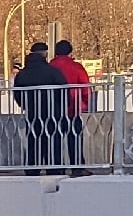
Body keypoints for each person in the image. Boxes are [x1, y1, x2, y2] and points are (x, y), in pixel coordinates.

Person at [12, 40, 67, 173]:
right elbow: (63, 91)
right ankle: (54, 169)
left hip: (32, 113)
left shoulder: (22, 74)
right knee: (52, 142)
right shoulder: (52, 72)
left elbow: (17, 93)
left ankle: (32, 169)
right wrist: (60, 107)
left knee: (33, 141)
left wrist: (25, 106)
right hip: (52, 113)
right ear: (45, 54)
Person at [51, 38, 92, 169]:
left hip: (54, 110)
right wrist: (83, 104)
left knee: (55, 141)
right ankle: (77, 167)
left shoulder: (50, 67)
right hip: (73, 109)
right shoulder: (76, 67)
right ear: (70, 52)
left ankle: (57, 168)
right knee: (74, 139)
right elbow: (85, 88)